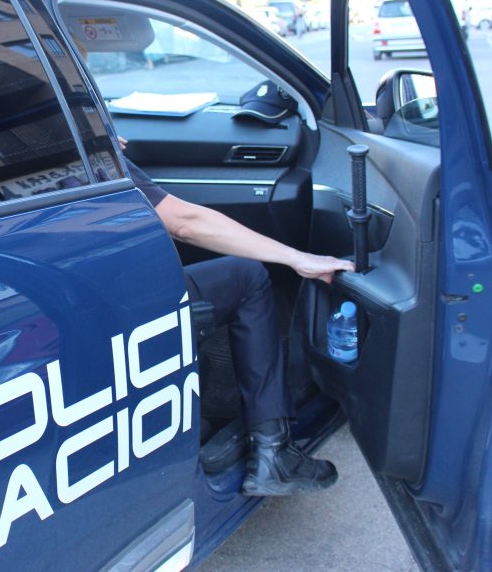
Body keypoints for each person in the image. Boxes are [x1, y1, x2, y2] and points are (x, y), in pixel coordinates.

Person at [120, 139, 355, 496]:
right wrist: (296, 257)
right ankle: (274, 454)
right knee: (246, 277)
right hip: (119, 304)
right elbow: (184, 223)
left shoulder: (38, 146)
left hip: (68, 306)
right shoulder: (77, 148)